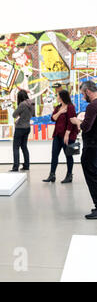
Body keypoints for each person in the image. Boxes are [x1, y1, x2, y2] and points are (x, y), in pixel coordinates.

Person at [70, 81, 97, 219]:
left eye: (82, 94)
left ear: (87, 91)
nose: (82, 97)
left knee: (92, 176)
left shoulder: (93, 106)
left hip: (92, 147)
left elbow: (85, 127)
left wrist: (77, 122)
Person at [42, 90, 78, 183]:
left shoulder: (70, 107)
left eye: (57, 96)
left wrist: (67, 134)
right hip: (57, 135)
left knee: (68, 155)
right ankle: (52, 175)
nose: (57, 97)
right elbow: (53, 118)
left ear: (62, 97)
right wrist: (60, 112)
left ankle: (69, 175)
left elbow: (72, 121)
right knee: (54, 155)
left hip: (68, 136)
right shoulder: (58, 107)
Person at [10, 90, 35, 172]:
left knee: (15, 147)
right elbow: (31, 114)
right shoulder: (31, 103)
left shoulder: (22, 104)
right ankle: (26, 165)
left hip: (20, 128)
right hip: (27, 127)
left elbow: (14, 115)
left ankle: (15, 167)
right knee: (24, 146)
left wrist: (17, 111)